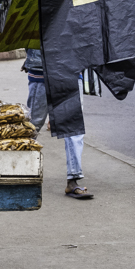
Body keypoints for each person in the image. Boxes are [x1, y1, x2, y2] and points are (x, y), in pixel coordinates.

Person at [23, 48, 92, 199]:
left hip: (67, 70)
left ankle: (73, 180)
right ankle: (18, 171)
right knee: (32, 125)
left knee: (72, 127)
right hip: (45, 69)